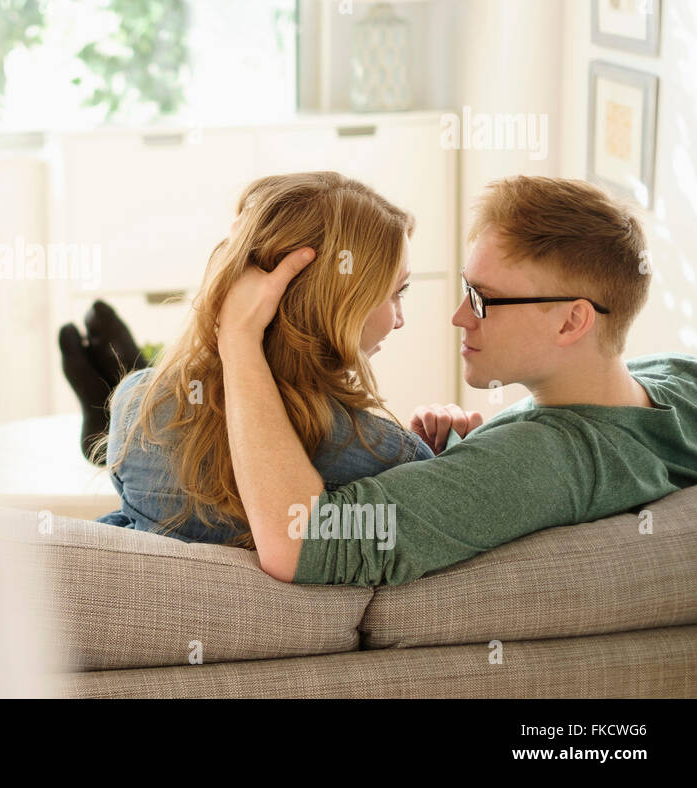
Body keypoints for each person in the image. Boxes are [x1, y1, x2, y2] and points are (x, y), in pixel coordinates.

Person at [215, 175, 697, 585]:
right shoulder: (678, 377)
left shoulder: (539, 463)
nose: (460, 316)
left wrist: (237, 337)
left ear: (571, 322)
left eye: (485, 298)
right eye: (468, 289)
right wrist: (459, 462)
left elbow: (302, 543)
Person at [60, 171, 452, 547]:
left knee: (139, 391)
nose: (400, 320)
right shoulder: (389, 457)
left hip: (142, 415)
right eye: (396, 292)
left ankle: (123, 382)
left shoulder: (137, 412)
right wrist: (443, 459)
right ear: (339, 305)